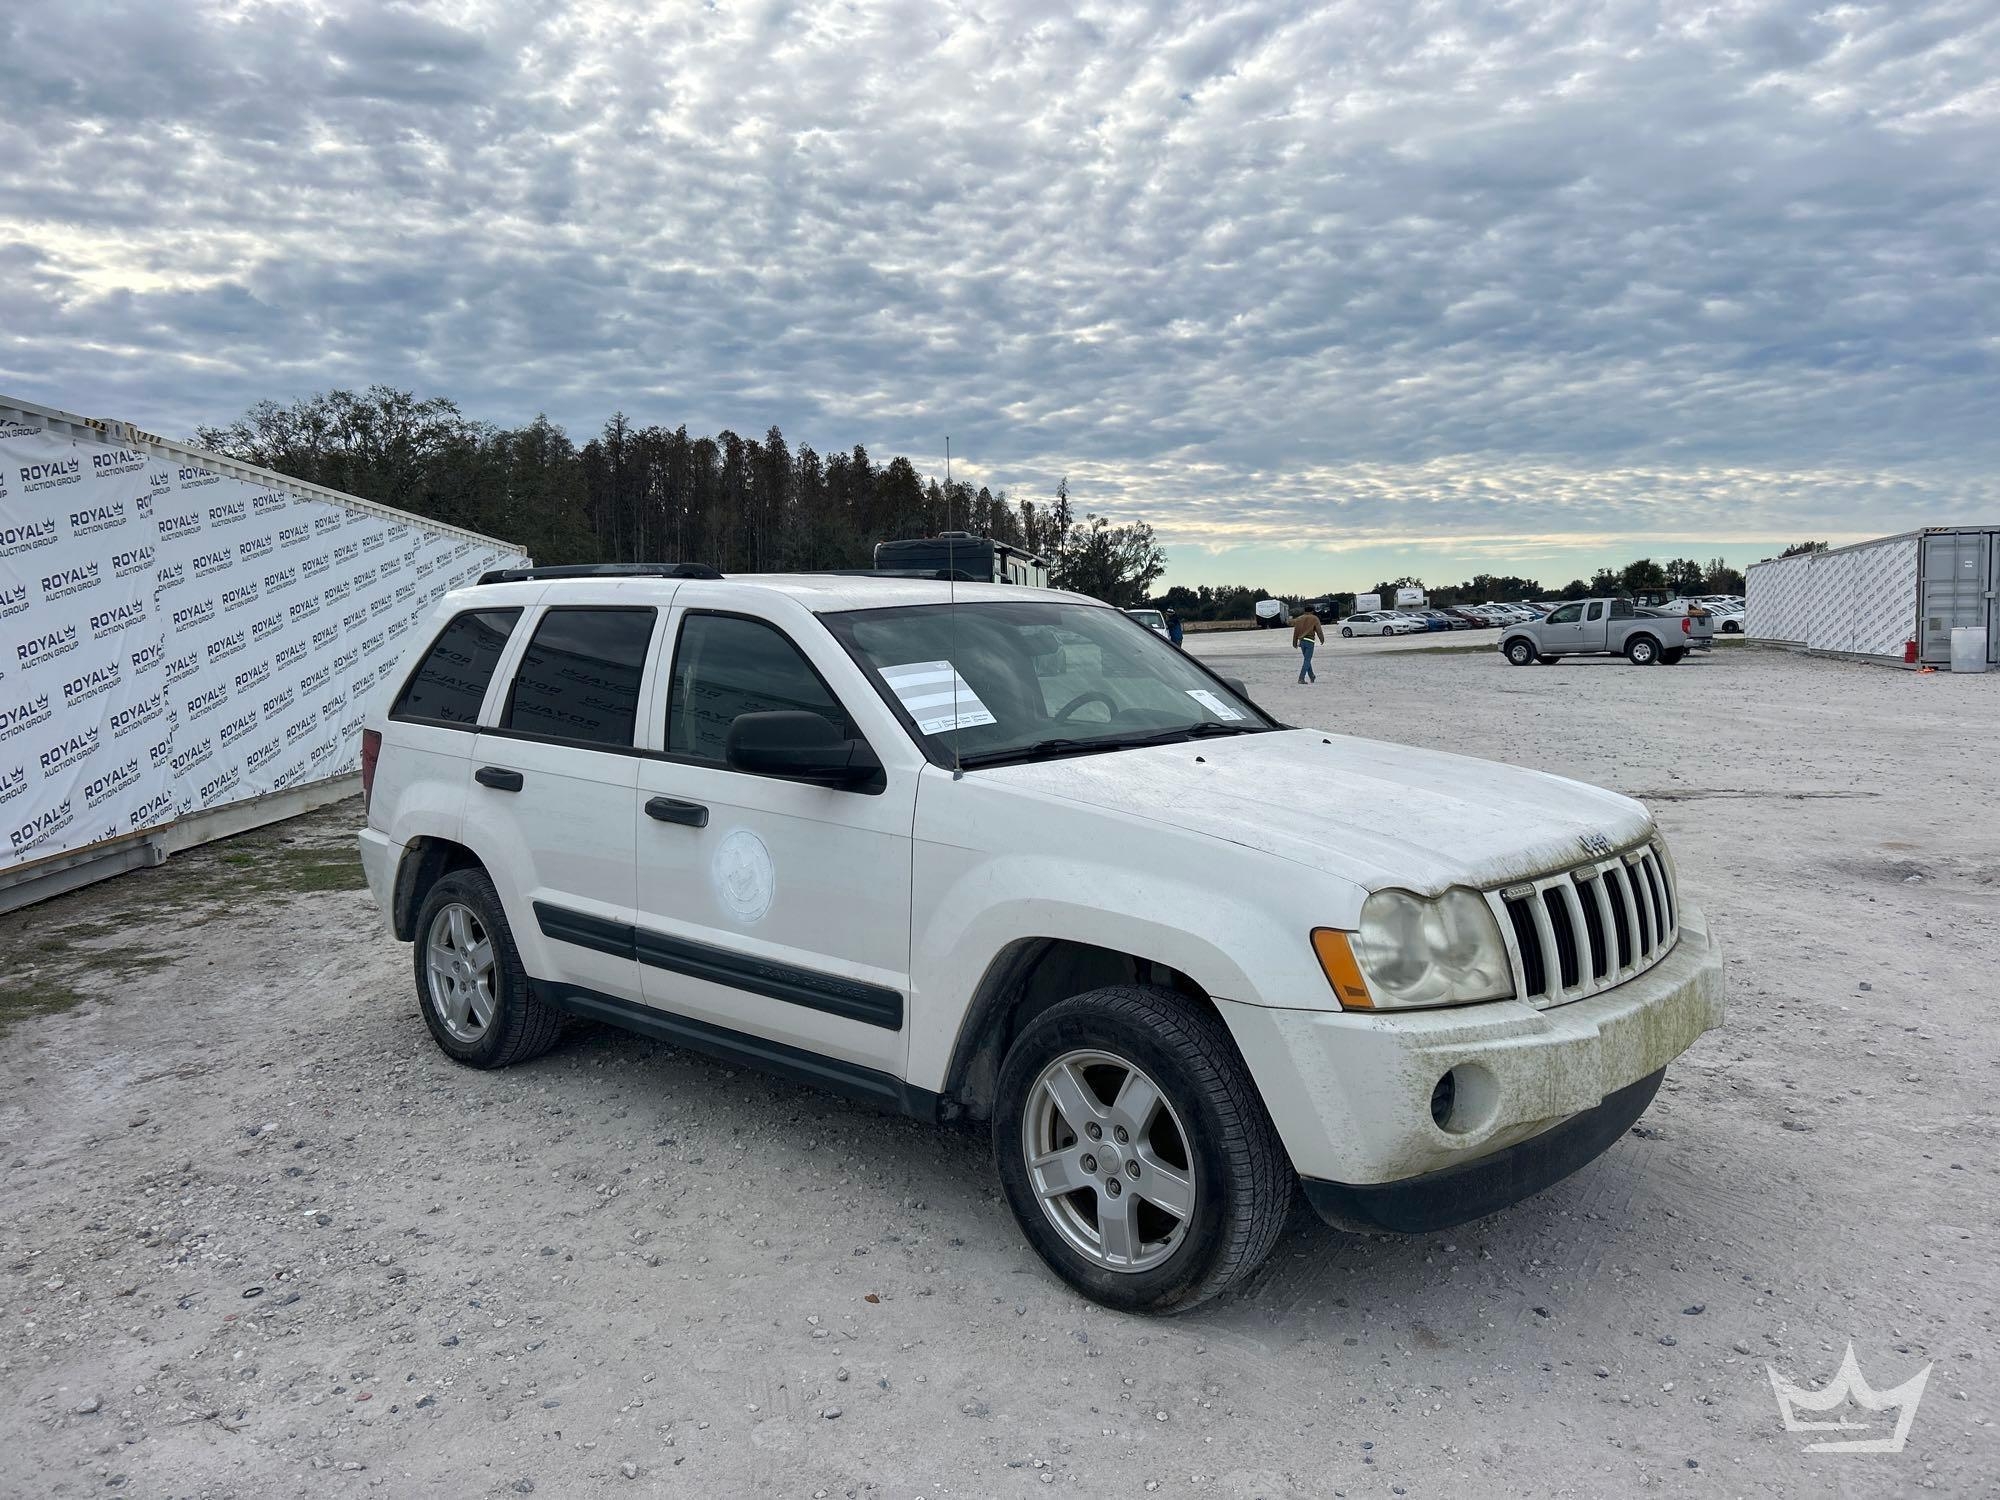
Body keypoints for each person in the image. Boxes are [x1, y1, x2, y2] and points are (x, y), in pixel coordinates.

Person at [1291, 606, 1324, 683]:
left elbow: (1296, 631)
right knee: (1307, 660)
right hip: (1310, 641)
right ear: (1312, 611)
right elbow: (1319, 630)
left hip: (1301, 641)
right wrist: (1322, 639)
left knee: (1307, 659)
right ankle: (1301, 678)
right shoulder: (1314, 618)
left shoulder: (1299, 619)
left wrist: (1294, 642)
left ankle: (1312, 676)